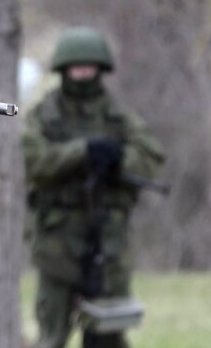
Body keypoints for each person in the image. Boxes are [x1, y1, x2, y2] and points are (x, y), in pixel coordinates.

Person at [23, 27, 164, 348]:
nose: (83, 74)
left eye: (90, 67)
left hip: (109, 243)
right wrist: (82, 151)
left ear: (101, 69)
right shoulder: (45, 116)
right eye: (77, 67)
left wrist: (118, 158)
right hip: (58, 243)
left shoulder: (118, 115)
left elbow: (151, 155)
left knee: (108, 336)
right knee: (52, 335)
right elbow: (34, 161)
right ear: (64, 69)